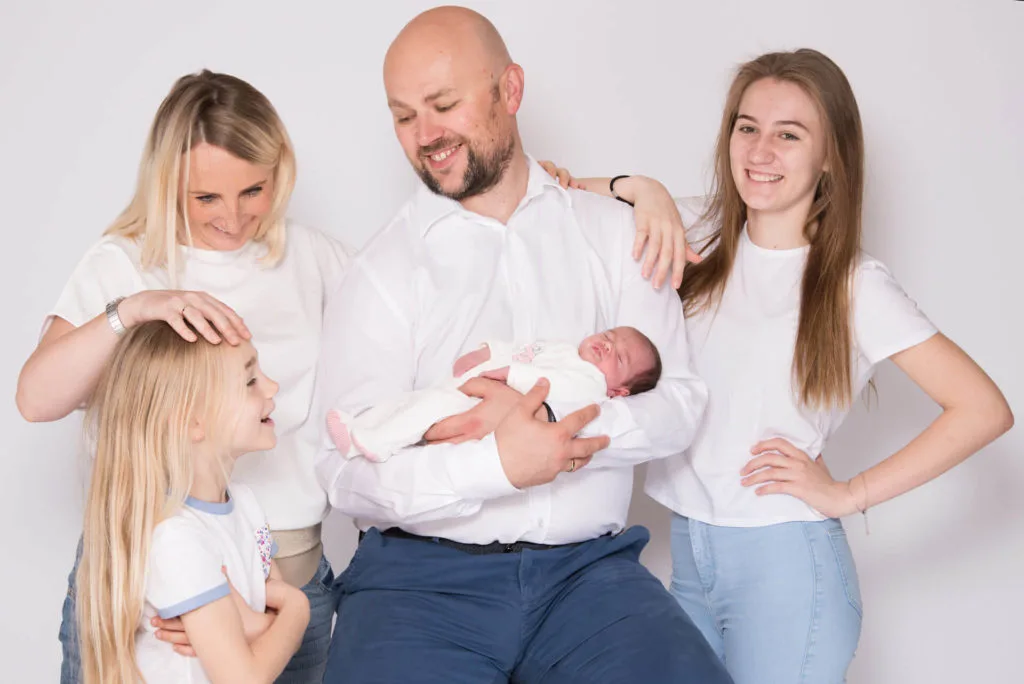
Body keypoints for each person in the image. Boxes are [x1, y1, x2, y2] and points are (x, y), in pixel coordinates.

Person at [555, 48, 1014, 683]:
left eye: (788, 134)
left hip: (788, 572)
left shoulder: (854, 285)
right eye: (748, 127)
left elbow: (984, 409)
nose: (760, 151)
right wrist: (644, 189)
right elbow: (553, 194)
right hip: (687, 558)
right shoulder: (698, 231)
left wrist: (849, 494)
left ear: (830, 156)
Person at [315, 7, 731, 684]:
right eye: (403, 115)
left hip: (589, 581)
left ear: (510, 91)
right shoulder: (380, 272)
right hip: (418, 584)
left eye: (443, 104)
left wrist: (553, 430)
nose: (425, 135)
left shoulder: (618, 235)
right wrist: (498, 464)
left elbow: (679, 402)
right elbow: (340, 471)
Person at [15, 70, 349, 683]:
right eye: (206, 199)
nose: (233, 219)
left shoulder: (318, 259)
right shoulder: (125, 262)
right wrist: (133, 311)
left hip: (284, 572)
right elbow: (35, 400)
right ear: (169, 183)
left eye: (254, 190)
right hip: (147, 587)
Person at [77, 321, 310, 683]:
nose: (272, 386)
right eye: (250, 382)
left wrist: (255, 624)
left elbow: (262, 625)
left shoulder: (244, 505)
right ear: (192, 421)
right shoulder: (175, 537)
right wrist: (297, 609)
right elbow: (245, 674)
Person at [325, 326, 662, 462]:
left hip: (485, 399)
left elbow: (554, 385)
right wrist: (487, 351)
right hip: (475, 386)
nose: (607, 344)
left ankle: (376, 442)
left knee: (426, 410)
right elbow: (524, 349)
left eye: (618, 356)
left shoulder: (591, 383)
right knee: (413, 402)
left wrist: (510, 373)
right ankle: (360, 426)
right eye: (609, 335)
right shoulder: (564, 349)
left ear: (619, 390)